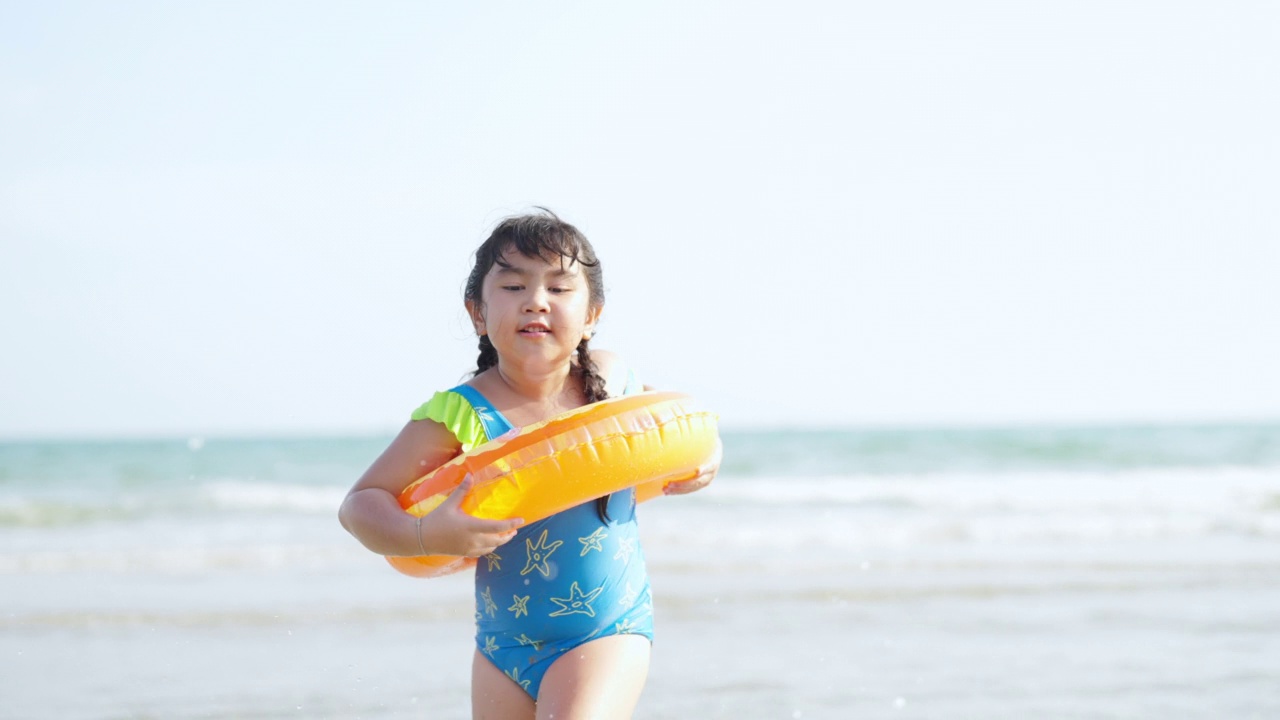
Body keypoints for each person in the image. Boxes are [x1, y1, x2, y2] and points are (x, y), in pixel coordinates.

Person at [338, 209, 720, 719]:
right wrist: (429, 535)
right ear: (477, 312)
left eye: (559, 289)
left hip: (605, 628)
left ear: (592, 316)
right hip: (502, 648)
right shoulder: (459, 416)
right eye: (514, 286)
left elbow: (675, 425)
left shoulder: (610, 381)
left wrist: (707, 456)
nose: (536, 301)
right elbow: (361, 504)